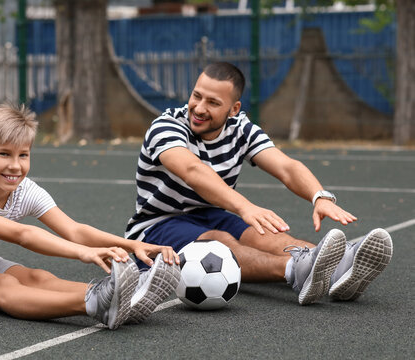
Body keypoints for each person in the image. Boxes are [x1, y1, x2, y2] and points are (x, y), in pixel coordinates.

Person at [125, 61, 393, 305]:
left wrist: (319, 196)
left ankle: (342, 267)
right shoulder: (167, 125)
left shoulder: (241, 129)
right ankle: (295, 270)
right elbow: (192, 170)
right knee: (219, 242)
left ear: (234, 109)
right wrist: (244, 207)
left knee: (265, 235)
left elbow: (286, 167)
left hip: (210, 214)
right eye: (197, 96)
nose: (199, 108)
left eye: (213, 103)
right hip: (156, 225)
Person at [0, 103, 180, 330]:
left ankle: (121, 296)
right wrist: (84, 253)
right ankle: (94, 304)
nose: (15, 166)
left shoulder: (25, 190)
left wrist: (133, 245)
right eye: (4, 154)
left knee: (36, 276)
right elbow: (23, 235)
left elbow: (74, 230)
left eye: (24, 155)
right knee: (4, 285)